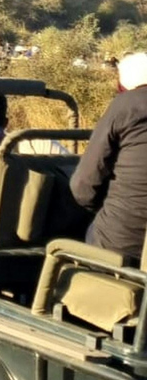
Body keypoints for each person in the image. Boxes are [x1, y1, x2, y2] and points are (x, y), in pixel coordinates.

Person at [69, 52, 147, 260]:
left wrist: (102, 208)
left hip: (122, 243)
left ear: (123, 87)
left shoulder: (126, 105)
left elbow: (84, 186)